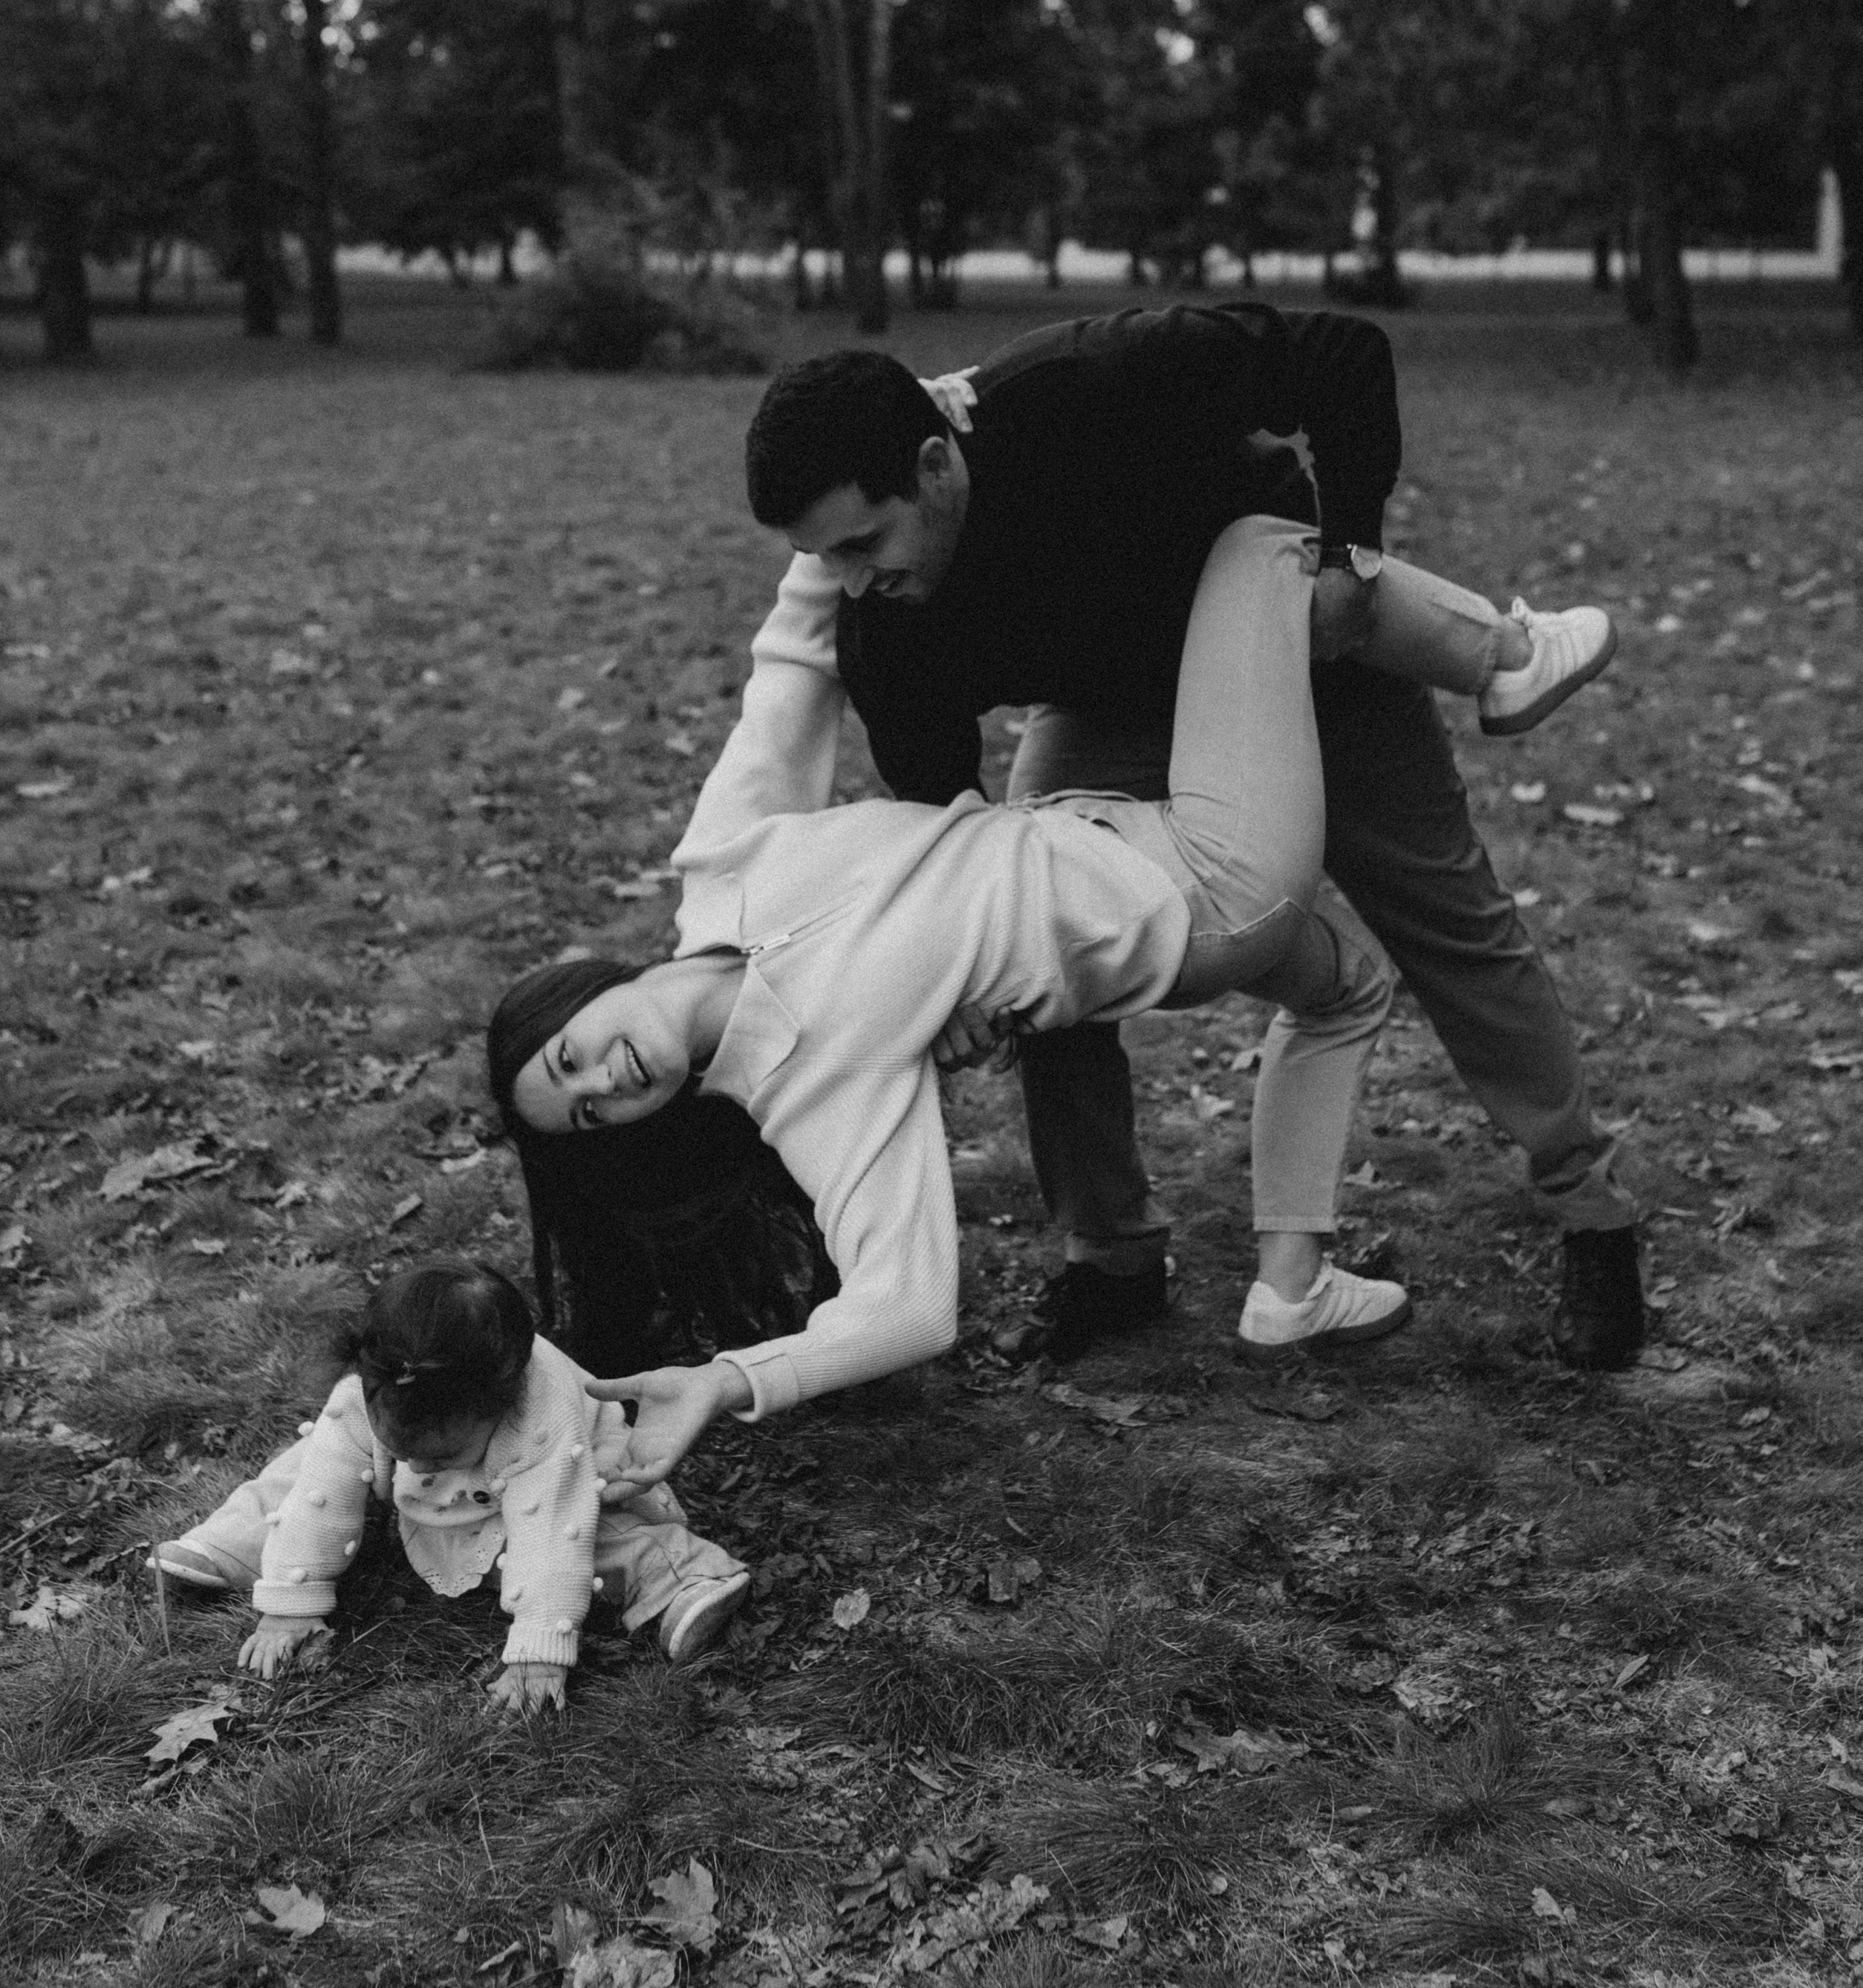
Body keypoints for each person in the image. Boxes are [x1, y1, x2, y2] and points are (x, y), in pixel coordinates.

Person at [498, 507, 1620, 1492]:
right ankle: (1510, 654)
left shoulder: (721, 866)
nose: (607, 1082)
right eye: (595, 1114)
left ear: (579, 997)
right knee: (1264, 548)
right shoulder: (804, 1088)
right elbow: (906, 1304)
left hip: (1097, 823)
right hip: (1202, 891)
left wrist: (841, 496)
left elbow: (791, 671)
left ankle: (1291, 1281)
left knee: (1350, 990)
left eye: (570, 1063)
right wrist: (733, 1382)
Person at [680, 315, 1643, 1372]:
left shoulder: (1090, 384)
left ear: (934, 462)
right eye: (826, 562)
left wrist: (1353, 560)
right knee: (1031, 938)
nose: (855, 583)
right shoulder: (885, 626)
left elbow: (1341, 354)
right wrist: (949, 990)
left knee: (1451, 921)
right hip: (1113, 709)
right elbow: (957, 858)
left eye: (865, 544)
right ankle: (1113, 1252)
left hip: (1306, 644)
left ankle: (1590, 1214)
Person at [151, 1256, 752, 1707]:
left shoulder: (543, 1416)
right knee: (305, 1465)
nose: (424, 1466)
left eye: (443, 1454)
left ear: (503, 1401)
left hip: (563, 1488)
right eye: (406, 1450)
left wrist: (540, 1649)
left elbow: (552, 1528)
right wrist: (291, 1603)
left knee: (604, 1530)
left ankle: (682, 1577)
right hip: (424, 1499)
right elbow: (324, 1490)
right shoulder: (366, 1393)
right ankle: (236, 1542)